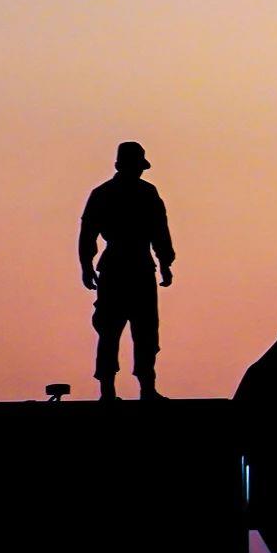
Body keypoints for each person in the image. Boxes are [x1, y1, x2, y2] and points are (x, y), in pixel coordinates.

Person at [78, 141, 175, 401]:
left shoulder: (143, 193)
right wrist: (86, 265)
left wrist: (165, 262)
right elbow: (88, 233)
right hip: (123, 268)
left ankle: (146, 389)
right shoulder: (108, 194)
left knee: (144, 332)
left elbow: (159, 231)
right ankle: (108, 391)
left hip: (137, 267)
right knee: (110, 331)